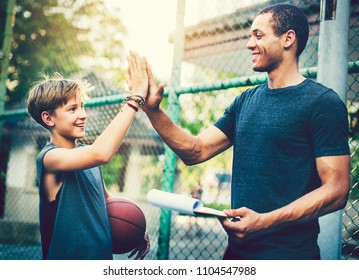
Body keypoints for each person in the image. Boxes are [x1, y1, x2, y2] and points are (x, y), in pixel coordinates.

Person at [129, 3, 351, 259]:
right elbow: (195, 151)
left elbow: (336, 190)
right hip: (236, 254)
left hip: (289, 258)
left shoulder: (322, 103)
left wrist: (264, 221)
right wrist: (153, 111)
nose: (249, 44)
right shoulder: (245, 101)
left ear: (288, 38)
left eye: (258, 35)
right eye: (250, 36)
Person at [26, 53, 150, 260]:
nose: (83, 114)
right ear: (48, 118)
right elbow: (101, 153)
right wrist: (134, 98)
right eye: (72, 109)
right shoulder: (49, 159)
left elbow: (106, 201)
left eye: (82, 106)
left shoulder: (87, 156)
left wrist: (134, 230)